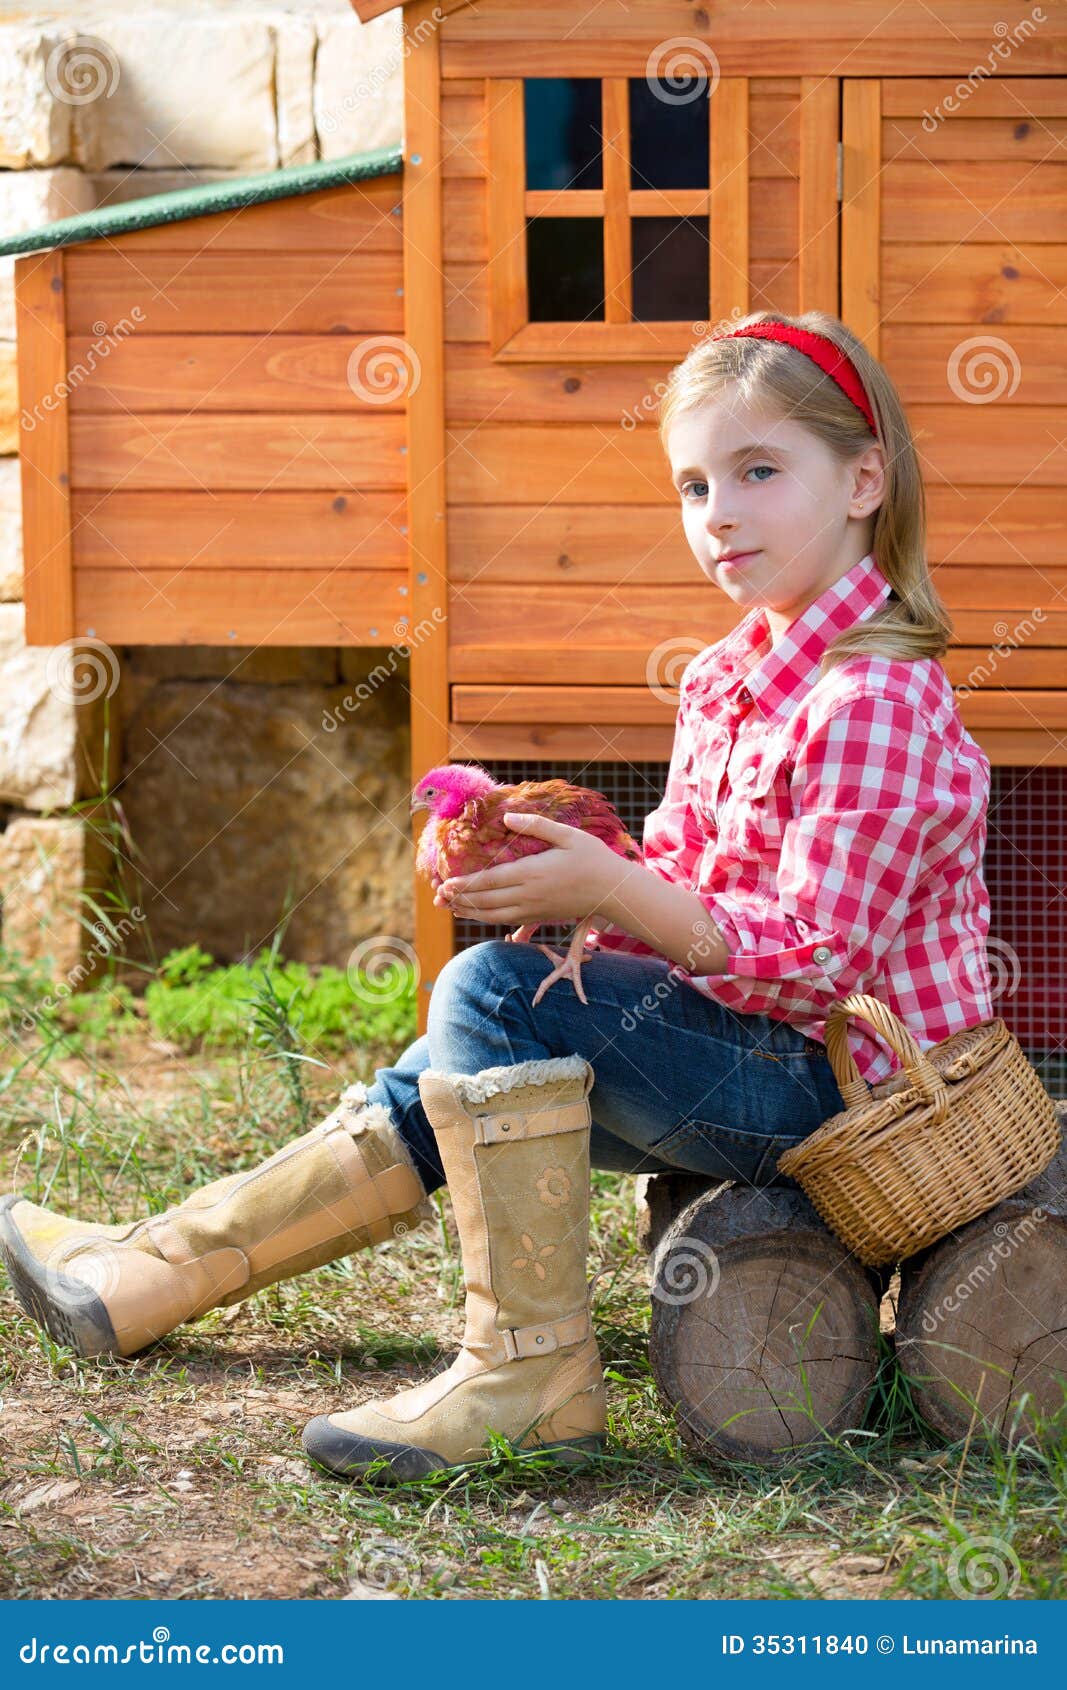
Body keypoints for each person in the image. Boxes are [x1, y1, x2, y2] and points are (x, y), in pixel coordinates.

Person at [0, 309, 994, 1485]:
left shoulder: (868, 696)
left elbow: (816, 966)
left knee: (484, 995)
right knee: (474, 1031)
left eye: (757, 471)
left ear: (864, 478)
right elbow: (680, 874)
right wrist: (566, 886)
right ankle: (150, 1272)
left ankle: (525, 1374)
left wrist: (615, 890)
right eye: (689, 484)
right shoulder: (732, 675)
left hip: (841, 1098)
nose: (716, 512)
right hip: (746, 1050)